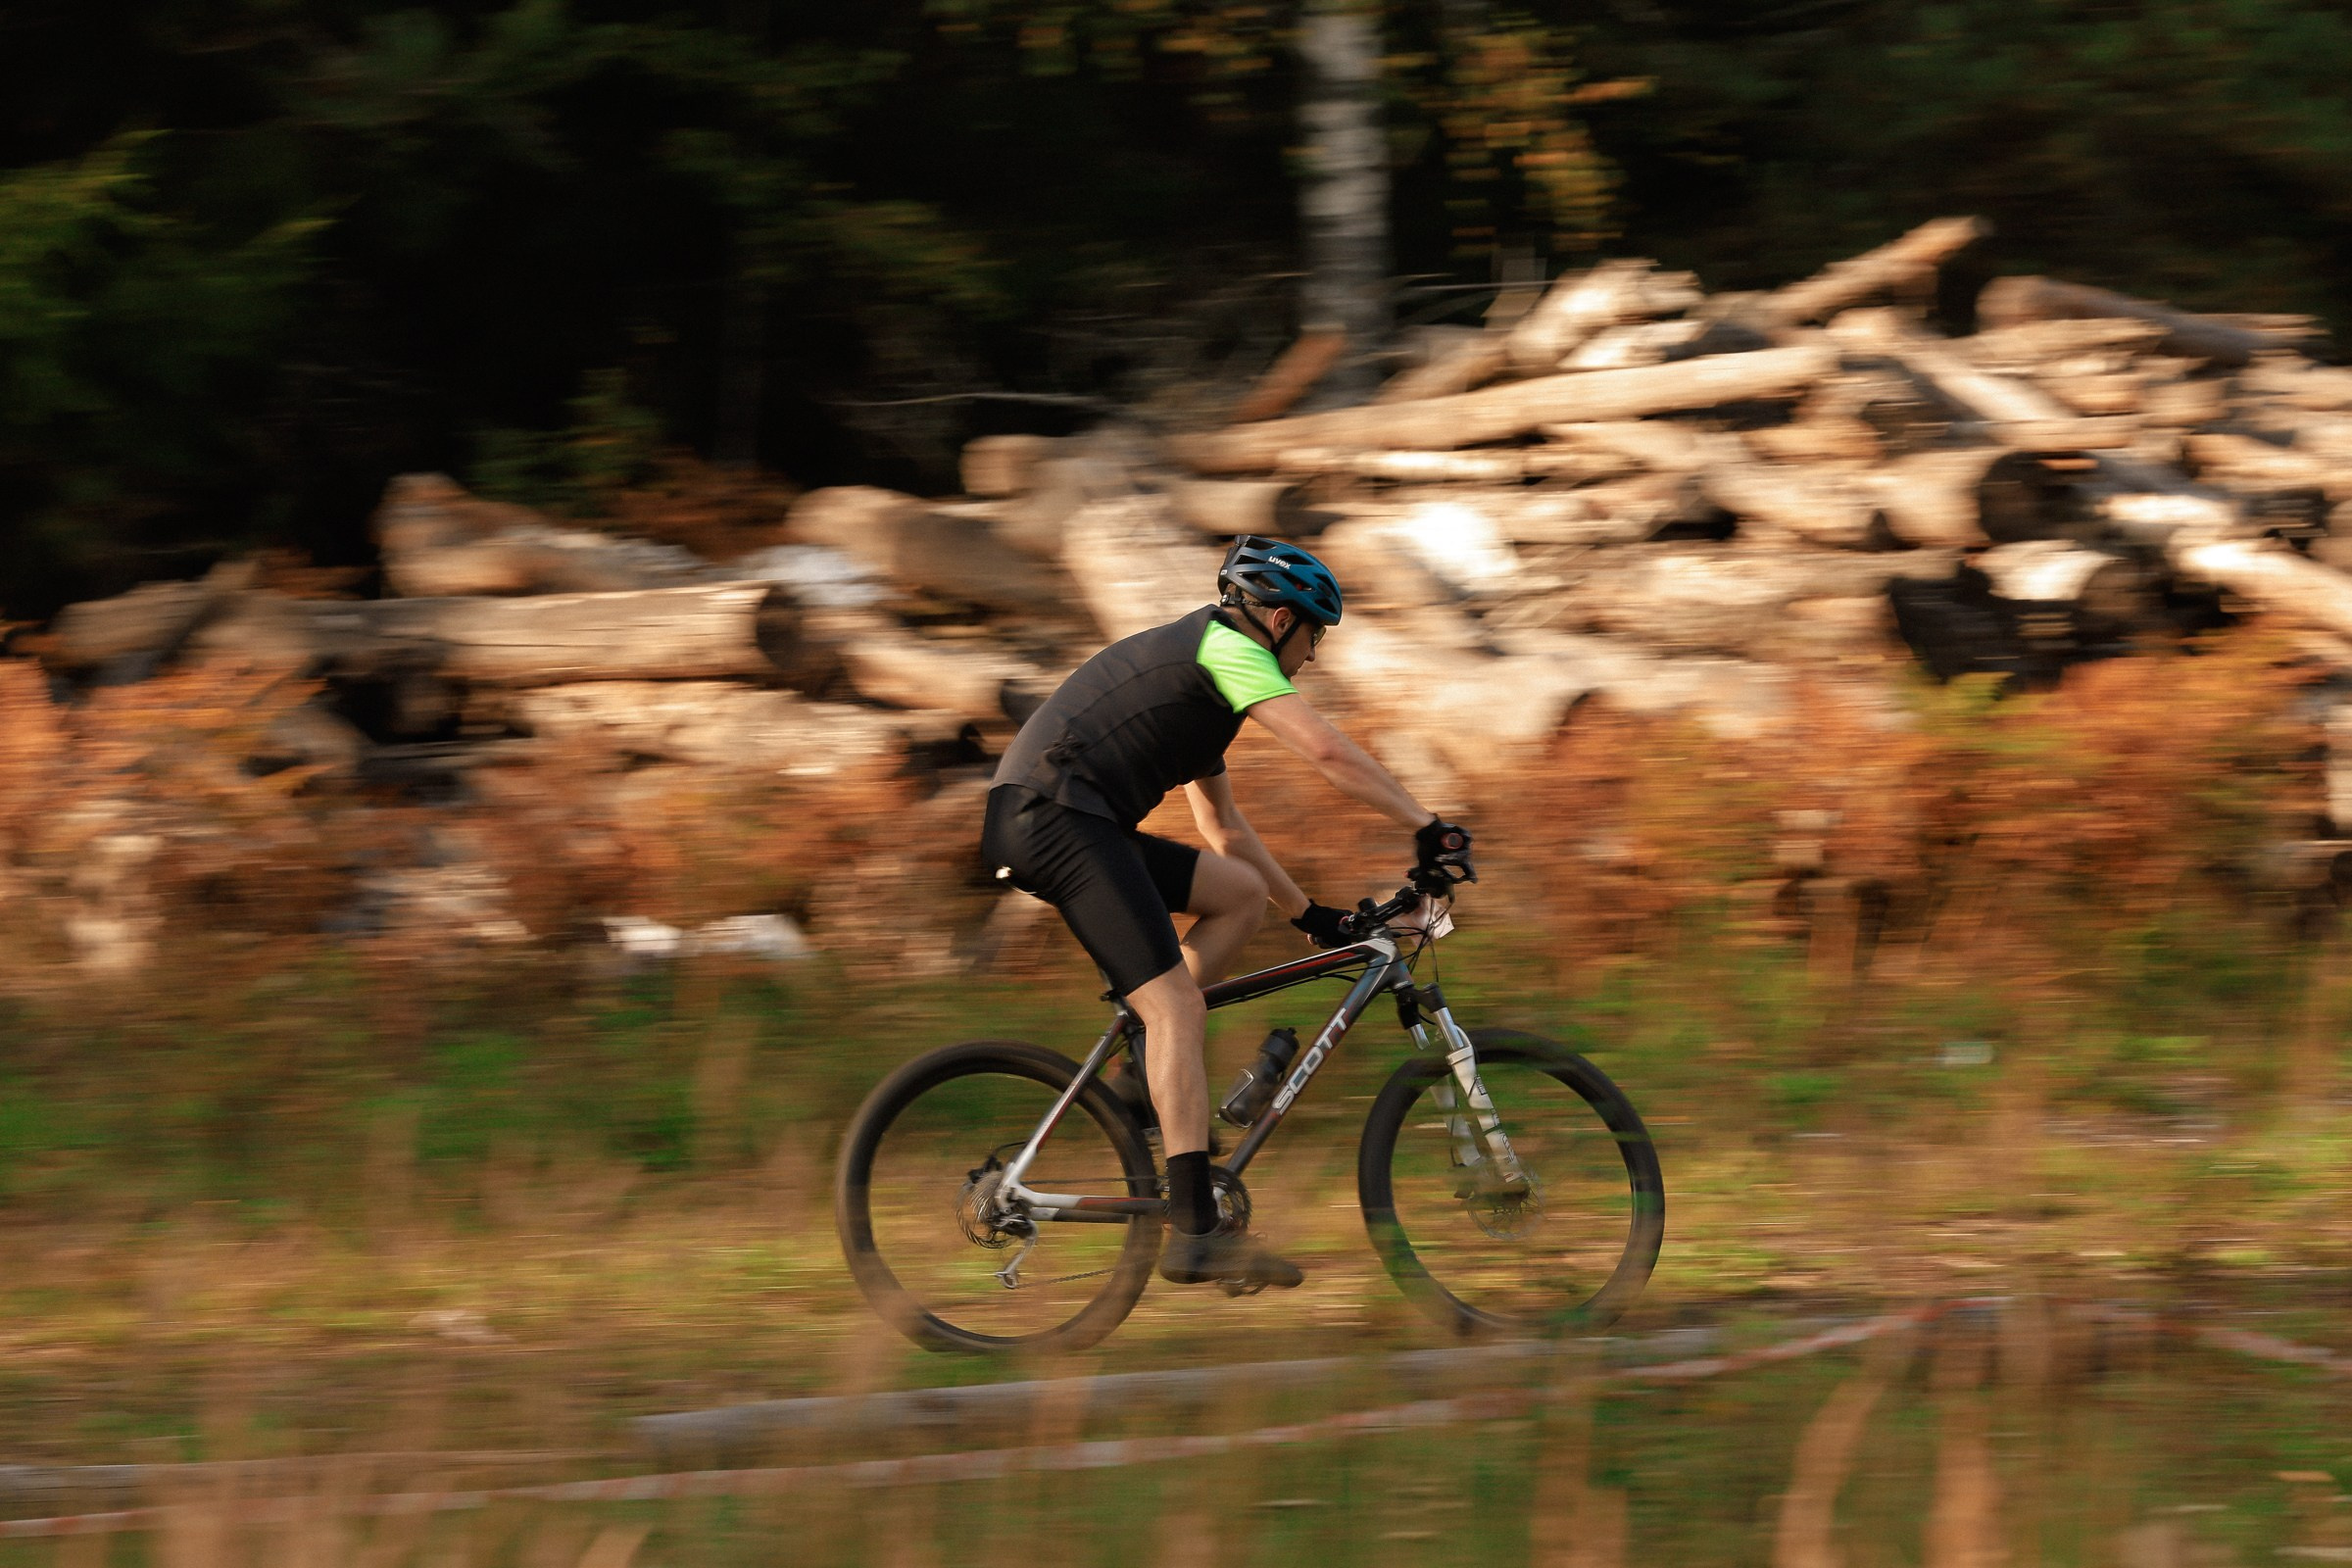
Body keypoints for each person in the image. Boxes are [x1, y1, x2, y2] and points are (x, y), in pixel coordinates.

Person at [981, 535, 1476, 1290]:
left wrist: (1310, 916)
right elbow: (1330, 754)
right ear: (1280, 621)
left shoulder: (1200, 686)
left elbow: (1226, 833)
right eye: (1315, 639)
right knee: (1176, 1008)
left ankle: (1138, 1086)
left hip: (1069, 819)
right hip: (1054, 819)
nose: (1312, 658)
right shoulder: (1226, 649)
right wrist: (1423, 822)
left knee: (1238, 895)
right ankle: (1194, 1233)